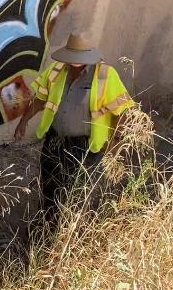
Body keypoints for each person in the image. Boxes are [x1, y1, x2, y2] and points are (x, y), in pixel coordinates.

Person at [14, 32, 134, 226]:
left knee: (75, 191)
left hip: (85, 146)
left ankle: (69, 232)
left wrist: (115, 141)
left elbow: (121, 111)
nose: (76, 61)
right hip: (54, 141)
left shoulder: (105, 75)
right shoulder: (56, 70)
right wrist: (23, 121)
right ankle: (47, 226)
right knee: (49, 184)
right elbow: (41, 99)